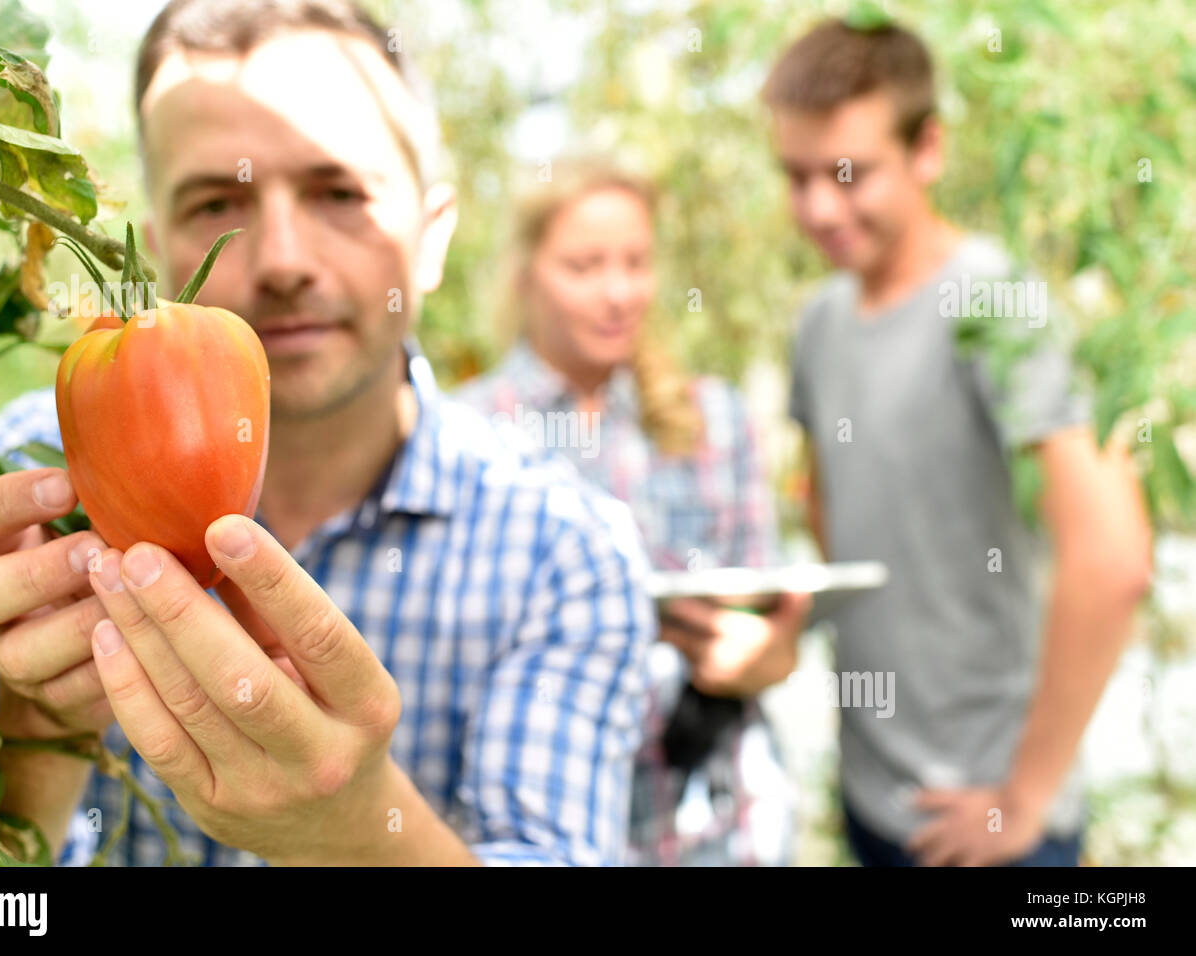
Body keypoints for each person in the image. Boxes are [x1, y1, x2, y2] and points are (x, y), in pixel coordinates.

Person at [0, 0, 657, 866]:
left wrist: (356, 833)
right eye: (219, 200)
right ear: (161, 245)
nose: (282, 257)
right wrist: (28, 733)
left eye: (339, 193)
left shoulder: (564, 552)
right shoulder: (11, 486)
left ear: (432, 239)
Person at [762, 17, 1152, 866]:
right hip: (874, 798)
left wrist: (1027, 798)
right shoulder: (822, 324)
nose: (819, 206)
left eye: (849, 174)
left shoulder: (995, 302)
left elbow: (1113, 557)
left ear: (928, 149)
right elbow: (833, 504)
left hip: (990, 829)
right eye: (796, 177)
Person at [455, 160, 811, 865]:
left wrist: (764, 656)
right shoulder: (469, 436)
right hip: (552, 834)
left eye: (636, 264)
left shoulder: (715, 418)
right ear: (526, 273)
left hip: (717, 829)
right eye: (584, 267)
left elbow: (769, 626)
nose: (618, 293)